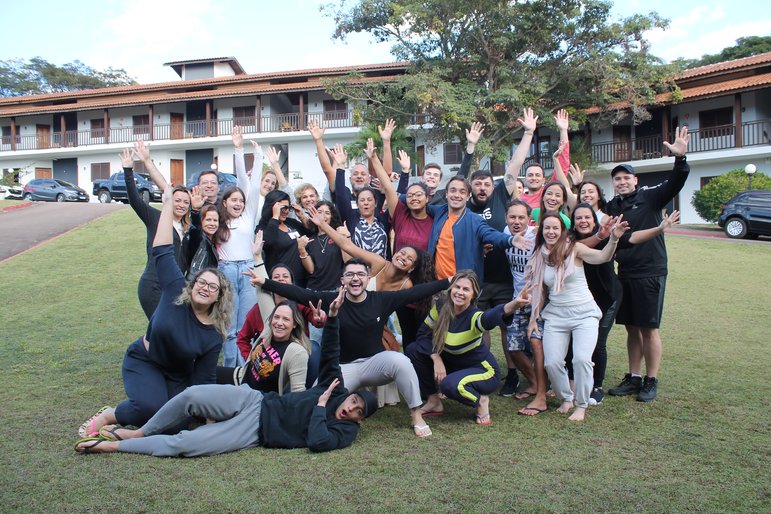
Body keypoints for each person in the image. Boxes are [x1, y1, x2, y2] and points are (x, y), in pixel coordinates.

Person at [74, 289, 380, 456]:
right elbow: (331, 354)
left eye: (358, 411)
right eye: (354, 401)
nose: (351, 408)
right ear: (350, 394)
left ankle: (115, 445)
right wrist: (334, 317)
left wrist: (321, 406)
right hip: (255, 400)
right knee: (192, 395)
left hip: (257, 430)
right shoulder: (335, 387)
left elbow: (317, 441)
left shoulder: (345, 432)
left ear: (360, 420)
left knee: (186, 444)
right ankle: (139, 431)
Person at [77, 188, 232, 439]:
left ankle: (136, 429)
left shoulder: (213, 334)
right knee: (148, 407)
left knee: (177, 425)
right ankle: (110, 415)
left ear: (219, 297)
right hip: (145, 360)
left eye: (212, 287)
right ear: (192, 285)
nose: (205, 288)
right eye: (201, 282)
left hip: (177, 375)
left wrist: (209, 415)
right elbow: (162, 250)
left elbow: (204, 378)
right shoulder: (174, 289)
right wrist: (168, 206)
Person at [248, 259, 451, 437]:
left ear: (368, 278)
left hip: (374, 364)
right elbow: (299, 293)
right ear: (342, 280)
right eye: (350, 274)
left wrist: (448, 282)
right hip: (343, 369)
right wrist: (265, 282)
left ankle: (416, 415)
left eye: (360, 274)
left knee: (402, 361)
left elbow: (415, 292)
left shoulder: (381, 300)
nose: (355, 278)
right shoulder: (332, 300)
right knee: (316, 396)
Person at [605, 126, 691, 402]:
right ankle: (634, 377)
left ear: (635, 180)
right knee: (631, 327)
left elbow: (676, 182)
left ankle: (651, 379)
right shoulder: (613, 206)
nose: (621, 182)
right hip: (624, 273)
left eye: (626, 178)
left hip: (650, 272)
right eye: (617, 179)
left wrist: (680, 158)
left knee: (649, 328)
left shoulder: (650, 196)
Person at [569, 203, 680, 405]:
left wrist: (659, 229)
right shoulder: (569, 240)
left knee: (598, 340)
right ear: (573, 221)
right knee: (574, 339)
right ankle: (573, 381)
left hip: (607, 297)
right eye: (578, 218)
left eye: (587, 217)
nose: (583, 221)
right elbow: (567, 247)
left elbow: (633, 238)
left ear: (594, 220)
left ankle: (597, 386)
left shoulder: (608, 235)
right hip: (580, 299)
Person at [526, 213, 629, 421]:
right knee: (552, 363)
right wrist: (533, 320)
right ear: (541, 231)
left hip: (584, 313)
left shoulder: (575, 249)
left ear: (563, 231)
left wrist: (613, 238)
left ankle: (581, 405)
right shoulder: (539, 255)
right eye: (547, 228)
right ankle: (566, 398)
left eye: (555, 228)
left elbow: (603, 257)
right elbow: (539, 291)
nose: (551, 232)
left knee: (581, 359)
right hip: (556, 315)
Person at [408, 271, 533, 425]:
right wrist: (435, 357)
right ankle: (433, 401)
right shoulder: (440, 306)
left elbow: (490, 316)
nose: (460, 292)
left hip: (484, 372)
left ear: (474, 295)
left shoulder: (474, 316)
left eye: (466, 289)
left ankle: (481, 401)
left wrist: (514, 304)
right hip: (453, 365)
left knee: (449, 386)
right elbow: (423, 334)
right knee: (414, 350)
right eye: (457, 287)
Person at [119, 146, 191, 319]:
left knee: (173, 329)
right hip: (153, 286)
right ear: (169, 201)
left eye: (186, 202)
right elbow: (135, 201)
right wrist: (128, 171)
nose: (181, 205)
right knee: (159, 328)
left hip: (176, 288)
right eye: (177, 200)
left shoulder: (188, 229)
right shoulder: (156, 218)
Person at [217, 128, 264, 367]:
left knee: (246, 324)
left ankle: (246, 369)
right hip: (225, 269)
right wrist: (237, 148)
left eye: (241, 201)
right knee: (229, 326)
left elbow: (250, 185)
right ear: (225, 202)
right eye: (233, 200)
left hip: (247, 270)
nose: (238, 203)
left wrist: (256, 156)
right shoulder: (218, 221)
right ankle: (230, 369)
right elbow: (241, 183)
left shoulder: (247, 216)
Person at [427, 175, 532, 281]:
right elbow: (420, 205)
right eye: (453, 190)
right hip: (437, 283)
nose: (457, 195)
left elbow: (491, 234)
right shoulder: (439, 212)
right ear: (446, 194)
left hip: (461, 284)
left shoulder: (475, 220)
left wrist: (510, 240)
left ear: (468, 196)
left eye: (462, 192)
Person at [217, 301, 312, 395]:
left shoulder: (297, 352)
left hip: (256, 398)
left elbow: (298, 394)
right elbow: (262, 294)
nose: (279, 323)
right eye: (276, 317)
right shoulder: (268, 331)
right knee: (209, 372)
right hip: (241, 378)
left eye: (286, 319)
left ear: (294, 324)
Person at [330, 144, 390, 259]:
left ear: (376, 203)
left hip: (384, 268)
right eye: (362, 200)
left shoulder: (382, 218)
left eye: (363, 174)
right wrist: (340, 166)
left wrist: (375, 157)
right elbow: (340, 194)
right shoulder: (351, 217)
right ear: (357, 204)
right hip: (358, 267)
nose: (366, 203)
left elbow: (394, 198)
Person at [507, 108, 571, 210]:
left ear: (543, 179)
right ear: (525, 179)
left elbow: (563, 164)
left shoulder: (549, 195)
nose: (534, 178)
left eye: (537, 175)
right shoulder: (519, 200)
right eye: (530, 175)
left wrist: (563, 131)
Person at [258, 189, 311, 287]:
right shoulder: (263, 227)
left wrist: (302, 216)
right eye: (283, 208)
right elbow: (268, 242)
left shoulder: (291, 222)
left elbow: (311, 233)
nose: (286, 211)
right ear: (272, 207)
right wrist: (275, 217)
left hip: (301, 279)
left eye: (288, 208)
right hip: (280, 281)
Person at [181, 186, 219, 277]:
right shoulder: (198, 238)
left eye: (215, 220)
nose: (212, 223)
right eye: (208, 220)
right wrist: (195, 210)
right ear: (201, 221)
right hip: (195, 282)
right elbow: (195, 229)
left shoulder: (213, 242)